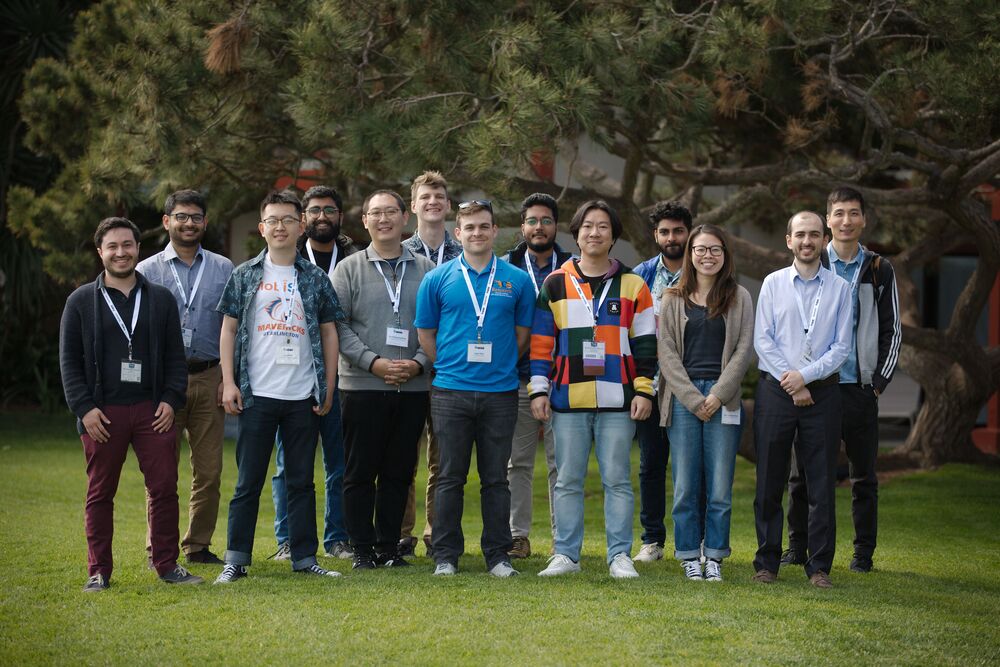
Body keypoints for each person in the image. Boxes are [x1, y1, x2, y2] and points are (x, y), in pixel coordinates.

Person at [60, 216, 202, 591]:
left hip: (152, 411)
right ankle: (99, 571)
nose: (120, 252)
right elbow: (68, 363)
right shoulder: (79, 302)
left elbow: (175, 358)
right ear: (100, 252)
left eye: (127, 245)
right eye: (112, 246)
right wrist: (85, 409)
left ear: (138, 250)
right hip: (101, 414)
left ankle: (167, 564)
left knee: (163, 488)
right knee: (100, 492)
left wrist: (172, 400)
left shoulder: (160, 299)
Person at [214, 190, 344, 583]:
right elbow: (229, 328)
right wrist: (228, 382)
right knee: (247, 483)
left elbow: (328, 331)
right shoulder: (245, 275)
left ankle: (305, 558)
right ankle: (236, 560)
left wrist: (330, 385)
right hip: (256, 396)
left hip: (301, 395)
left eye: (289, 219)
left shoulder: (316, 277)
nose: (281, 226)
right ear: (262, 228)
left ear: (300, 225)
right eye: (273, 220)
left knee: (301, 482)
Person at [530, 200, 657, 579]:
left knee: (617, 479)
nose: (594, 233)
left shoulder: (634, 285)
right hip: (568, 398)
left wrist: (644, 390)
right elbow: (540, 343)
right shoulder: (554, 284)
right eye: (587, 226)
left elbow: (646, 344)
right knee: (567, 480)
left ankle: (620, 555)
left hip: (619, 398)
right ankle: (566, 554)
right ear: (577, 233)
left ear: (614, 235)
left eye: (603, 226)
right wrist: (539, 389)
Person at [782, 187, 901, 573]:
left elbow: (893, 330)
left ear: (864, 219)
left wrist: (879, 382)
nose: (846, 221)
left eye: (853, 213)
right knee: (803, 476)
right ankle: (797, 547)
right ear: (827, 219)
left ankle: (862, 554)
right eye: (838, 214)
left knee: (863, 476)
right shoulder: (816, 263)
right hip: (818, 386)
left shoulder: (879, 269)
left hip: (861, 388)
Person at [414, 199, 535, 577]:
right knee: (449, 476)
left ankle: (497, 556)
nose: (477, 233)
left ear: (495, 231)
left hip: (500, 392)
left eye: (484, 226)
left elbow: (522, 334)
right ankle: (446, 556)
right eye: (470, 227)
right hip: (450, 392)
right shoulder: (438, 278)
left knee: (496, 478)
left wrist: (498, 365)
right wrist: (451, 365)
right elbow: (426, 334)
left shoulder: (517, 280)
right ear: (458, 233)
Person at [332, 189, 434, 569]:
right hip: (362, 386)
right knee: (360, 471)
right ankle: (361, 548)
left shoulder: (426, 270)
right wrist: (373, 362)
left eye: (391, 211)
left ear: (404, 217)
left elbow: (438, 326)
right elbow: (338, 327)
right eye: (376, 213)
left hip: (412, 387)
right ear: (365, 221)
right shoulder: (349, 269)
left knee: (399, 471)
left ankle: (389, 547)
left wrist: (420, 363)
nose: (384, 219)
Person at [752, 211, 852, 589]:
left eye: (814, 235)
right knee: (770, 480)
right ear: (788, 240)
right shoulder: (773, 283)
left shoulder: (840, 288)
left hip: (822, 393)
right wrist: (792, 381)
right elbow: (764, 340)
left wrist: (805, 377)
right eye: (800, 235)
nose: (807, 241)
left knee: (821, 482)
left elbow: (841, 347)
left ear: (823, 239)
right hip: (776, 391)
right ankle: (766, 562)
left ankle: (819, 566)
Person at [137, 189, 233, 565]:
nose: (188, 223)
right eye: (181, 217)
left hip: (210, 376)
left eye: (196, 217)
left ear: (205, 222)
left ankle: (197, 545)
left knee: (209, 473)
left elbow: (233, 329)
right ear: (167, 222)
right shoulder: (147, 271)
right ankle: (158, 547)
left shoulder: (224, 268)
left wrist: (229, 377)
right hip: (164, 384)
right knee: (161, 473)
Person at [657, 224, 754, 582]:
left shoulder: (739, 297)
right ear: (690, 254)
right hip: (683, 399)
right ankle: (687, 554)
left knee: (719, 485)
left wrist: (716, 395)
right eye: (700, 249)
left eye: (715, 249)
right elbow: (666, 352)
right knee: (684, 484)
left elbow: (744, 350)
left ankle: (713, 555)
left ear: (725, 255)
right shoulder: (672, 297)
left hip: (723, 398)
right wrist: (695, 398)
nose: (707, 256)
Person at [270, 184, 361, 562]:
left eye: (330, 210)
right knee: (287, 465)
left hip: (341, 377)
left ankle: (337, 537)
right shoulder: (283, 260)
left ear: (340, 217)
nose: (322, 216)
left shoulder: (356, 259)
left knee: (338, 463)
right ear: (303, 218)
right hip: (289, 377)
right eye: (315, 210)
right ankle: (287, 538)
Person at [501, 192, 573, 559]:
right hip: (517, 377)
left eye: (546, 220)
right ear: (522, 227)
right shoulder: (504, 267)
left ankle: (564, 538)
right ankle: (518, 536)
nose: (539, 227)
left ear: (556, 226)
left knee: (562, 463)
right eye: (532, 221)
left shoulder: (574, 267)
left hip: (563, 379)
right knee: (518, 461)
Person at [399, 170, 463, 557]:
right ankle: (402, 533)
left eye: (439, 196)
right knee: (405, 455)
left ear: (448, 206)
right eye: (425, 197)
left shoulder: (467, 252)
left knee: (444, 459)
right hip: (407, 368)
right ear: (414, 206)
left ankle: (436, 533)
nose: (433, 202)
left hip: (452, 370)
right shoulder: (399, 250)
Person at [632, 200, 691, 562]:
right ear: (655, 235)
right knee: (651, 464)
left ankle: (693, 540)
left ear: (689, 232)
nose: (672, 238)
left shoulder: (703, 269)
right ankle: (652, 540)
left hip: (689, 384)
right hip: (650, 385)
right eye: (665, 232)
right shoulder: (641, 274)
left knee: (689, 465)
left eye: (678, 231)